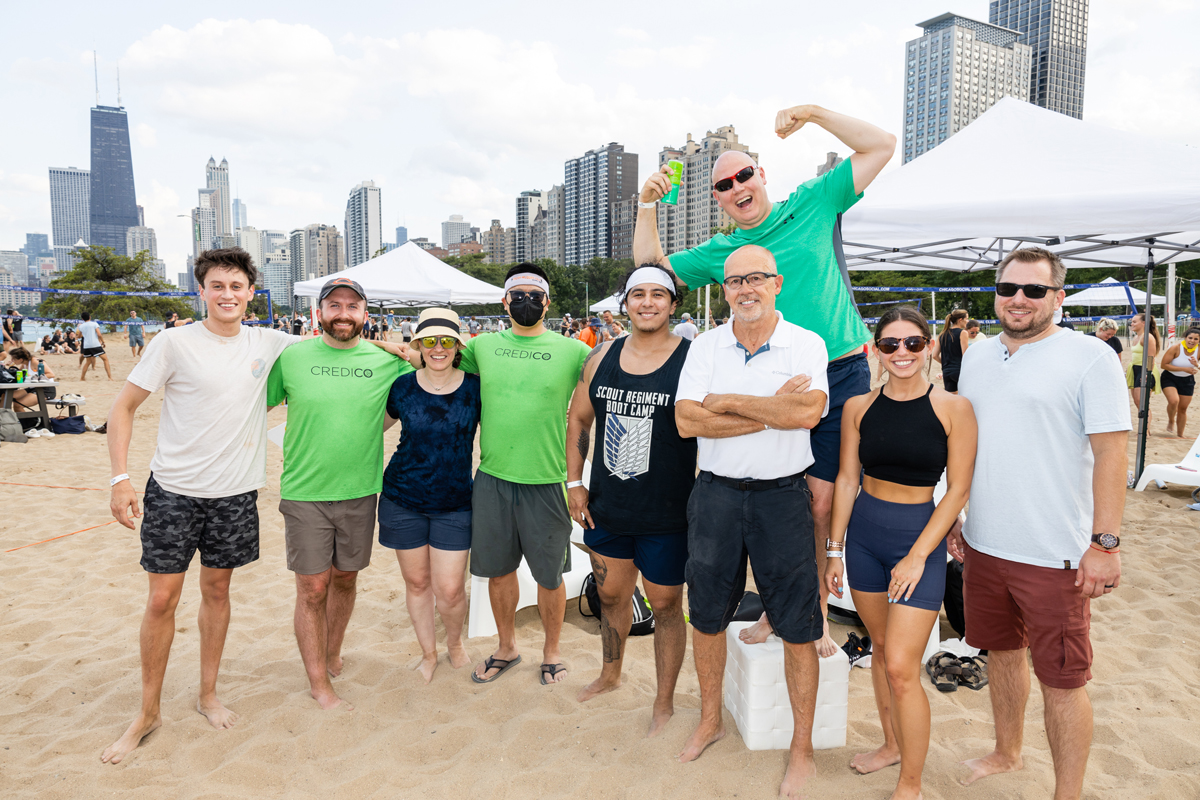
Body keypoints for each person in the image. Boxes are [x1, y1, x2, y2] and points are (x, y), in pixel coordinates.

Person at [635, 104, 894, 658]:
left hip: (840, 368)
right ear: (719, 199)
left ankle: (811, 616)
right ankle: (782, 612)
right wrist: (646, 207)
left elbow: (880, 145)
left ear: (761, 177)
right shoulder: (723, 253)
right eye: (723, 184)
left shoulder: (813, 202)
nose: (736, 187)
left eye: (743, 174)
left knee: (823, 500)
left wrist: (815, 114)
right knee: (778, 497)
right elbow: (650, 274)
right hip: (768, 368)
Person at [102, 247, 300, 765]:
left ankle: (207, 693)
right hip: (172, 491)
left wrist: (401, 348)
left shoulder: (271, 341)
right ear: (202, 291)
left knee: (217, 592)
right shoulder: (173, 342)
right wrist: (121, 480)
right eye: (218, 286)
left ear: (251, 293)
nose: (228, 295)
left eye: (237, 286)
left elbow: (334, 347)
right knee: (161, 601)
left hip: (235, 494)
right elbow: (122, 408)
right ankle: (147, 711)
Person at [949, 247, 1129, 799]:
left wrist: (1105, 543)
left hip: (1056, 554)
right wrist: (956, 514)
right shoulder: (976, 354)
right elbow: (967, 443)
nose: (1018, 300)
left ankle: (1066, 791)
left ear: (1059, 297)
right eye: (1008, 289)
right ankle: (1007, 751)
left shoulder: (1090, 357)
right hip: (983, 545)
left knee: (1064, 680)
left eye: (1033, 290)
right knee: (1002, 654)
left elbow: (1112, 454)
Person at [673, 245, 829, 797]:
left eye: (756, 278)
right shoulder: (706, 345)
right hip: (714, 496)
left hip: (781, 498)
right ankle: (710, 720)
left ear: (777, 283)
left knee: (798, 623)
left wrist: (730, 401)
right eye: (735, 280)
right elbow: (688, 422)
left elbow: (807, 412)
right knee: (708, 615)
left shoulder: (806, 343)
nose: (745, 289)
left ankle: (802, 749)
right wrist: (770, 411)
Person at [825, 305, 976, 800]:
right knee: (883, 649)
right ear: (876, 351)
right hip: (864, 538)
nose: (902, 353)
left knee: (901, 668)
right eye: (890, 344)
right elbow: (847, 479)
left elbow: (957, 491)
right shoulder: (858, 407)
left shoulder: (954, 408)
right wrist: (833, 549)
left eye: (913, 343)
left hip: (919, 538)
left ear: (930, 346)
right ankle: (891, 745)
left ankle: (910, 781)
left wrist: (917, 555)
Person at [267, 277, 414, 710]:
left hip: (361, 490)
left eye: (353, 306)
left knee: (346, 579)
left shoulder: (388, 363)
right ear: (319, 313)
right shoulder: (293, 358)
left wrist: (396, 348)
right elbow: (252, 404)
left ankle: (331, 653)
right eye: (334, 305)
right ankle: (318, 683)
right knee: (312, 588)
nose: (343, 313)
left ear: (365, 315)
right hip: (305, 490)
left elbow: (435, 364)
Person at [567, 264, 694, 736]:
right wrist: (574, 482)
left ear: (672, 304)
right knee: (611, 594)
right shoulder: (601, 357)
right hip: (609, 504)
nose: (647, 302)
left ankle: (663, 700)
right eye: (637, 294)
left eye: (657, 295)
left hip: (668, 510)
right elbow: (579, 420)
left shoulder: (693, 358)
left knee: (665, 606)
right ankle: (610, 673)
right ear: (625, 302)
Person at [459, 263, 591, 686]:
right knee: (498, 571)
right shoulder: (481, 347)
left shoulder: (573, 351)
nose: (527, 302)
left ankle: (551, 652)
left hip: (548, 479)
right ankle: (506, 647)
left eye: (536, 295)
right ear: (505, 301)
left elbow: (607, 386)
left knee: (549, 576)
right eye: (518, 296)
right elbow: (430, 356)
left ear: (548, 302)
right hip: (493, 478)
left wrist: (577, 481)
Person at [378, 308, 481, 684]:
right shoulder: (402, 387)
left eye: (447, 341)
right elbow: (372, 427)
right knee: (418, 584)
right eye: (430, 341)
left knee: (451, 589)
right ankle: (428, 652)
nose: (439, 348)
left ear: (457, 346)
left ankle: (454, 644)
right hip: (402, 498)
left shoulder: (475, 387)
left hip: (455, 502)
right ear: (418, 345)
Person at [1160, 326, 1200, 438]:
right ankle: (1171, 420)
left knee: (1183, 408)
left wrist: (1197, 365)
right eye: (1190, 338)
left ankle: (1180, 434)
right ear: (1185, 337)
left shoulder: (1199, 350)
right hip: (1170, 377)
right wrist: (1184, 369)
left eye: (1196, 339)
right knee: (1174, 401)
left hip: (1187, 380)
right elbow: (1164, 365)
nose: (1192, 341)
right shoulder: (1176, 348)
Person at [1127, 312, 1159, 426]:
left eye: (1135, 321)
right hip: (1135, 369)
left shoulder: (1148, 337)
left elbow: (1151, 357)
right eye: (1132, 321)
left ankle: (1146, 430)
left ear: (1144, 323)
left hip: (1145, 369)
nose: (1132, 323)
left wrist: (1147, 373)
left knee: (1142, 403)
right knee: (1137, 402)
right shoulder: (1136, 336)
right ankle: (1143, 427)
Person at [931, 309, 969, 393]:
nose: (967, 321)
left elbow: (934, 355)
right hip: (959, 371)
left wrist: (947, 363)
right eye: (966, 318)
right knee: (967, 399)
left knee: (952, 400)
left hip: (946, 372)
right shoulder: (963, 333)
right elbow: (965, 355)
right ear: (960, 320)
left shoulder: (942, 334)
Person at [78, 311, 113, 381]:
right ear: (90, 317)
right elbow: (99, 334)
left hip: (86, 345)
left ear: (82, 319)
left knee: (88, 362)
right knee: (105, 360)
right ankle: (109, 377)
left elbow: (79, 336)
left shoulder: (81, 326)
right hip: (95, 344)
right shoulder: (94, 324)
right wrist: (103, 342)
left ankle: (82, 377)